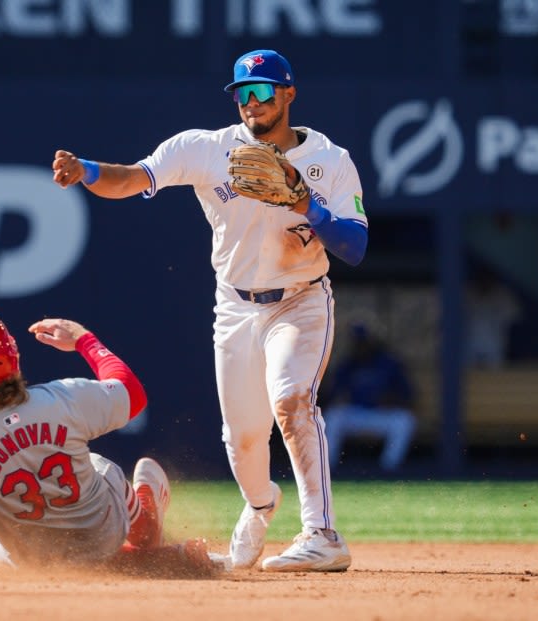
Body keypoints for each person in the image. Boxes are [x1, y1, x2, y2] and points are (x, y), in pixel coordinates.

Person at [51, 49, 367, 572]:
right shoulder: (206, 149)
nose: (251, 102)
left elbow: (354, 247)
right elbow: (130, 178)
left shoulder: (330, 160)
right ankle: (262, 506)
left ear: (289, 94)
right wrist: (85, 170)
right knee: (241, 438)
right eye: (242, 92)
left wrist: (306, 205)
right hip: (236, 306)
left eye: (263, 91)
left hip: (300, 300)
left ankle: (323, 534)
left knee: (291, 401)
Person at [0, 312, 216, 576]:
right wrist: (83, 340)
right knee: (97, 465)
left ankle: (137, 558)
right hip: (103, 531)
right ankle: (146, 532)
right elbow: (133, 394)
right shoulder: (61, 399)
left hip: (32, 556)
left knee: (3, 547)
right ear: (13, 358)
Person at [322, 323, 417, 473]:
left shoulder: (389, 364)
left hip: (380, 415)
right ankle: (328, 468)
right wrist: (339, 399)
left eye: (363, 342)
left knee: (404, 421)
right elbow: (332, 395)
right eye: (357, 342)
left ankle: (389, 469)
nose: (361, 346)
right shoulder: (347, 365)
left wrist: (393, 401)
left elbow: (407, 395)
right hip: (355, 414)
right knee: (332, 417)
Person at [464, 263, 521, 368]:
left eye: (488, 278)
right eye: (482, 278)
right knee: (468, 373)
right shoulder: (468, 293)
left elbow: (513, 318)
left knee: (495, 374)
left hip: (494, 344)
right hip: (470, 343)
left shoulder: (503, 295)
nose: (485, 281)